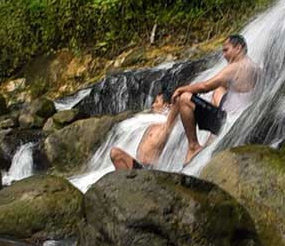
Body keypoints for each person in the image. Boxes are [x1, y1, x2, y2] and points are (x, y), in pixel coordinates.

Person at [172, 34, 260, 165]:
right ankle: (210, 142)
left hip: (226, 123)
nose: (224, 55)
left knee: (184, 98)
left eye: (226, 50)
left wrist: (181, 89)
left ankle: (193, 146)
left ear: (238, 48)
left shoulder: (234, 67)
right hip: (242, 121)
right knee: (219, 91)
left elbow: (205, 86)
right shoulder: (255, 67)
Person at [109, 92, 178, 170]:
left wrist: (176, 100)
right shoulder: (151, 124)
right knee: (115, 154)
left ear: (166, 105)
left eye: (156, 102)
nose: (153, 105)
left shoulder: (166, 126)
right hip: (139, 165)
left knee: (116, 153)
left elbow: (175, 111)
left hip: (149, 168)